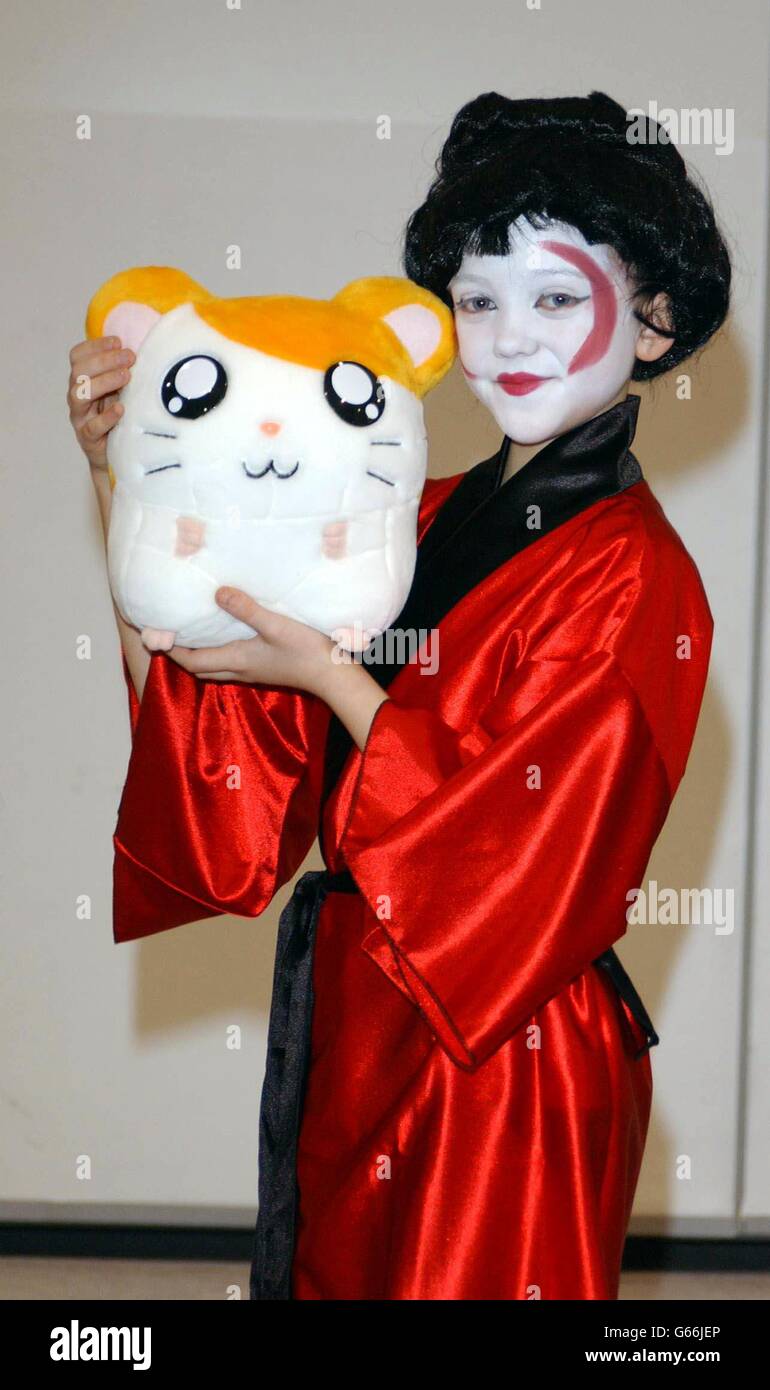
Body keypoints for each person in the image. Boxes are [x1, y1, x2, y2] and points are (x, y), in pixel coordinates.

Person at [67, 90, 730, 1300]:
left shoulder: (638, 575)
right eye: (476, 301)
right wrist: (130, 475)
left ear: (653, 320)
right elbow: (222, 716)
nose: (507, 337)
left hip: (507, 1040)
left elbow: (531, 855)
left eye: (553, 298)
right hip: (369, 1018)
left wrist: (330, 675)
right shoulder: (415, 516)